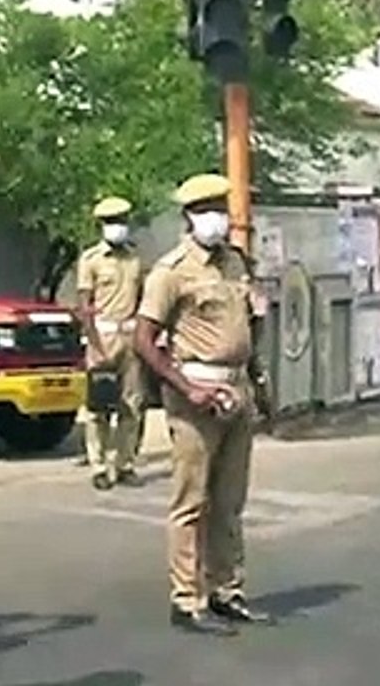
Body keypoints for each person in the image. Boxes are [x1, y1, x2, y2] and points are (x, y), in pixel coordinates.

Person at [134, 173, 272, 637]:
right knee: (191, 500)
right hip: (196, 388)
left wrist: (260, 382)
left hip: (238, 387)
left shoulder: (236, 263)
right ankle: (186, 598)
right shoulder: (171, 271)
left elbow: (250, 326)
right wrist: (185, 387)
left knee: (230, 500)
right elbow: (145, 341)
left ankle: (227, 590)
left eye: (220, 206)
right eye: (205, 209)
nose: (215, 216)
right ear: (188, 217)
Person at [76, 196, 146, 490]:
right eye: (110, 222)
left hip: (130, 336)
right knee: (99, 405)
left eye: (121, 221)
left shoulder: (135, 259)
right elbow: (84, 305)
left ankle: (125, 463)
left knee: (132, 405)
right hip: (102, 336)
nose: (117, 227)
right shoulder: (91, 259)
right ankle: (99, 466)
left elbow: (143, 298)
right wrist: (94, 344)